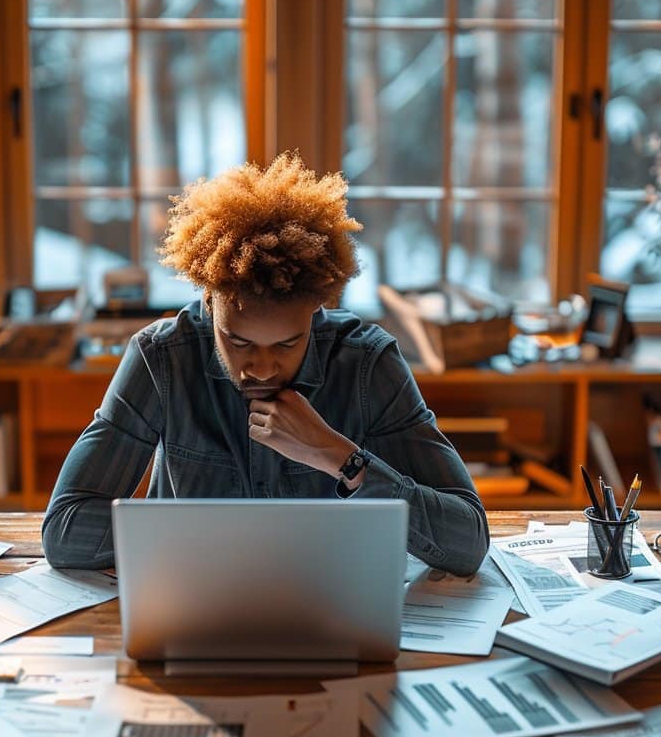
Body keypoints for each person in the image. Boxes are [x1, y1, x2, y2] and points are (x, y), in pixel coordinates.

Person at [42, 153, 489, 576]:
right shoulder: (162, 358)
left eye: (286, 344)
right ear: (207, 303)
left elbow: (467, 542)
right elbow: (64, 532)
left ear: (318, 309)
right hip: (195, 608)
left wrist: (337, 457)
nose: (259, 367)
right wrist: (226, 532)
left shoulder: (367, 363)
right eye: (236, 342)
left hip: (331, 611)